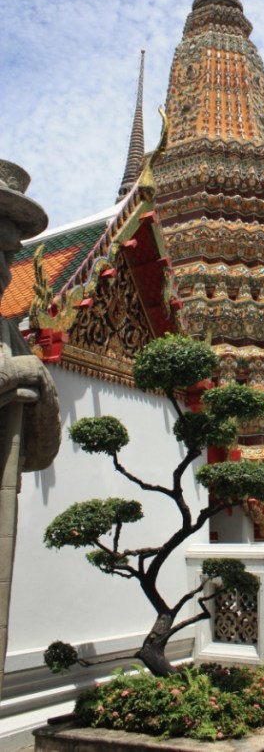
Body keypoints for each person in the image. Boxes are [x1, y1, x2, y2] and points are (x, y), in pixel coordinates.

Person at [0, 159, 60, 699]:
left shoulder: (6, 332)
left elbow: (41, 453)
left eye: (10, 255)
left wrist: (29, 373)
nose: (4, 271)